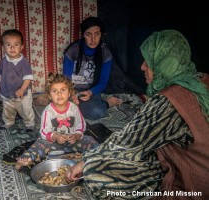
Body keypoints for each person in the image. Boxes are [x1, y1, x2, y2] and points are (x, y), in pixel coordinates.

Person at [66, 30, 209, 199]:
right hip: (194, 165)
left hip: (193, 182)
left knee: (96, 172)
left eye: (148, 62)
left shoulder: (169, 101)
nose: (142, 66)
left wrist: (85, 162)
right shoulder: (202, 79)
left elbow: (128, 141)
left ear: (164, 63)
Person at [15, 73, 99, 170]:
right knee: (40, 143)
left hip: (73, 142)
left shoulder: (74, 108)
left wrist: (76, 135)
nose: (59, 94)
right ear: (49, 96)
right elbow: (44, 131)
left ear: (69, 93)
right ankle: (26, 158)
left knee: (90, 140)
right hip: (53, 143)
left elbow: (81, 125)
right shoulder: (48, 111)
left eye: (63, 90)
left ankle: (96, 156)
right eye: (54, 91)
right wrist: (55, 136)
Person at [63, 16, 122, 120]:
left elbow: (103, 82)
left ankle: (108, 102)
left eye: (97, 34)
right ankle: (76, 107)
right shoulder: (73, 49)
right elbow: (66, 79)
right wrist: (73, 94)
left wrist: (90, 92)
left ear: (101, 34)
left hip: (91, 90)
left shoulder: (106, 53)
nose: (93, 39)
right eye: (88, 34)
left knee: (96, 113)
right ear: (83, 35)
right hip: (72, 89)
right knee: (57, 106)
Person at [0, 29, 35, 132]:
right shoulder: (4, 61)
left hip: (23, 93)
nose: (12, 48)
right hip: (7, 92)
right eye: (8, 45)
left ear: (21, 47)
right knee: (7, 110)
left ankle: (29, 124)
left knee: (26, 109)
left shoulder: (24, 63)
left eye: (16, 44)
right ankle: (8, 122)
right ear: (3, 47)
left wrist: (22, 89)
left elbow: (28, 78)